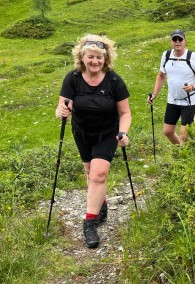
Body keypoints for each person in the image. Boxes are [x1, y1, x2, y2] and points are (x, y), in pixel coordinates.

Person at [55, 34, 131, 248]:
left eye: (99, 57)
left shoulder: (114, 81)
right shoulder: (73, 78)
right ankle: (101, 204)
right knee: (90, 173)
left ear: (105, 58)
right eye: (90, 57)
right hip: (82, 132)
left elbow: (125, 113)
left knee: (98, 173)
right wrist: (61, 111)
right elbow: (62, 109)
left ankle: (89, 223)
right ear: (82, 56)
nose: (95, 61)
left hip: (108, 133)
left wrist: (123, 133)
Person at [147, 29, 195, 144]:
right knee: (167, 131)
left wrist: (194, 87)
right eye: (175, 39)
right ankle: (180, 150)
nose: (177, 42)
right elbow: (161, 76)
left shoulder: (193, 57)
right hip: (172, 100)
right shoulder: (166, 55)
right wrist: (154, 94)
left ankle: (184, 156)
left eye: (180, 39)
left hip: (189, 101)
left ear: (185, 41)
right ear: (171, 41)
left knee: (184, 135)